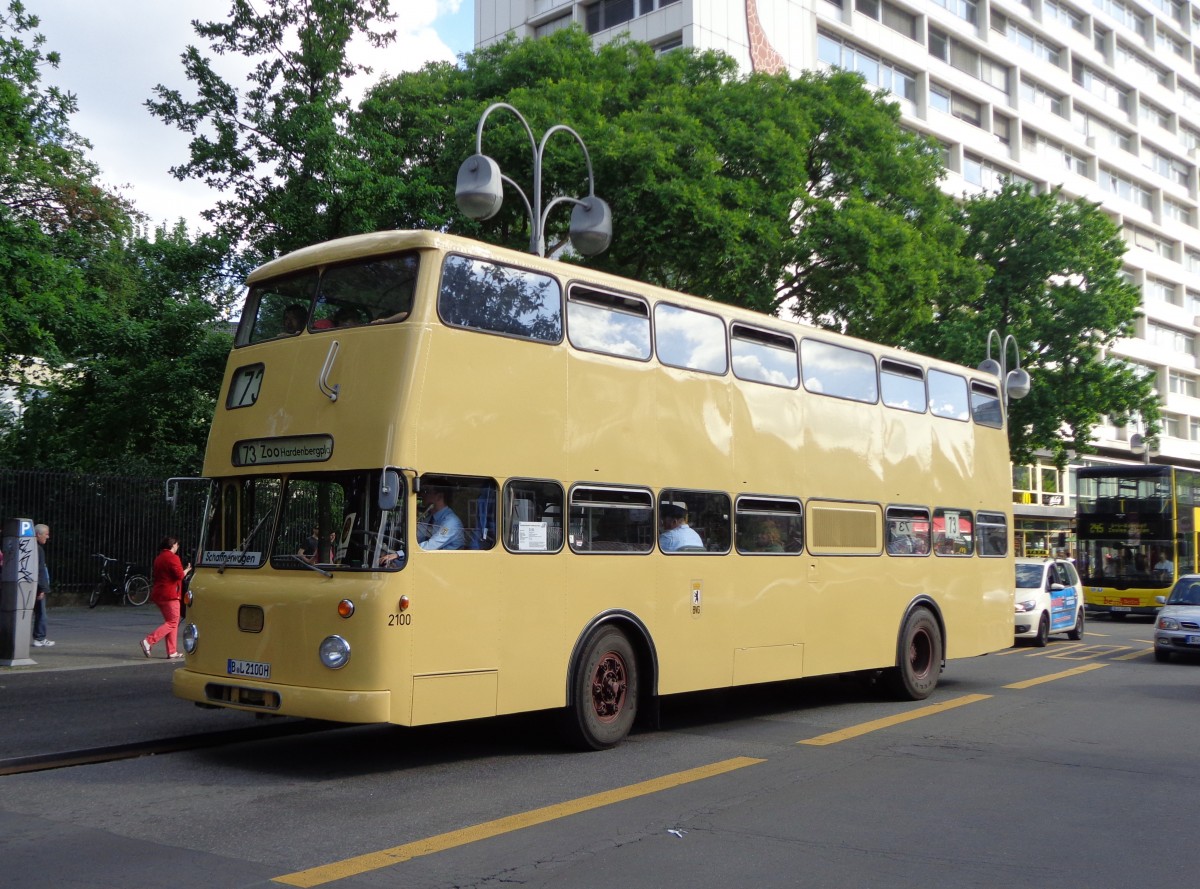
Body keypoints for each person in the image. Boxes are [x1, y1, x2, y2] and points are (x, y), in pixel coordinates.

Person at [141, 535, 191, 660]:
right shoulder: (173, 558)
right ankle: (148, 641)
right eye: (177, 545)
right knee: (173, 622)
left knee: (172, 622)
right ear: (173, 545)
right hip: (170, 595)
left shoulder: (159, 558)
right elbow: (179, 576)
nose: (178, 547)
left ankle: (172, 651)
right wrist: (187, 570)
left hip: (159, 594)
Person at [416, 485, 465, 551]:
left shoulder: (451, 522)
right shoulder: (429, 519)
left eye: (426, 491)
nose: (422, 495)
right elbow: (416, 537)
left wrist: (401, 553)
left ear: (439, 496)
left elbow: (430, 546)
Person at [31, 523, 54, 647]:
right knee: (41, 613)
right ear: (38, 534)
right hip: (37, 587)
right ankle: (39, 637)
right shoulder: (38, 549)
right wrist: (42, 589)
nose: (48, 537)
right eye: (46, 534)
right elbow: (39, 570)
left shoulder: (30, 547)